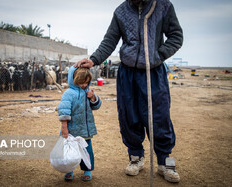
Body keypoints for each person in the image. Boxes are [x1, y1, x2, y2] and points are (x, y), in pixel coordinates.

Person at [75, 0, 183, 183]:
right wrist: (94, 59)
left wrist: (159, 55)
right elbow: (110, 40)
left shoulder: (163, 6)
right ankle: (136, 157)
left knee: (159, 115)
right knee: (129, 115)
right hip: (128, 73)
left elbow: (176, 36)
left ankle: (165, 161)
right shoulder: (121, 11)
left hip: (153, 71)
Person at [58, 66, 102, 181]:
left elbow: (96, 106)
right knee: (69, 151)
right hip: (71, 130)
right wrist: (64, 128)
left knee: (87, 151)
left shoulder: (88, 92)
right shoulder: (68, 93)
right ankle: (69, 169)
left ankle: (87, 169)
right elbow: (64, 111)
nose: (84, 85)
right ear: (75, 80)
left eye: (86, 82)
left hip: (85, 129)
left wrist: (93, 98)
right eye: (81, 82)